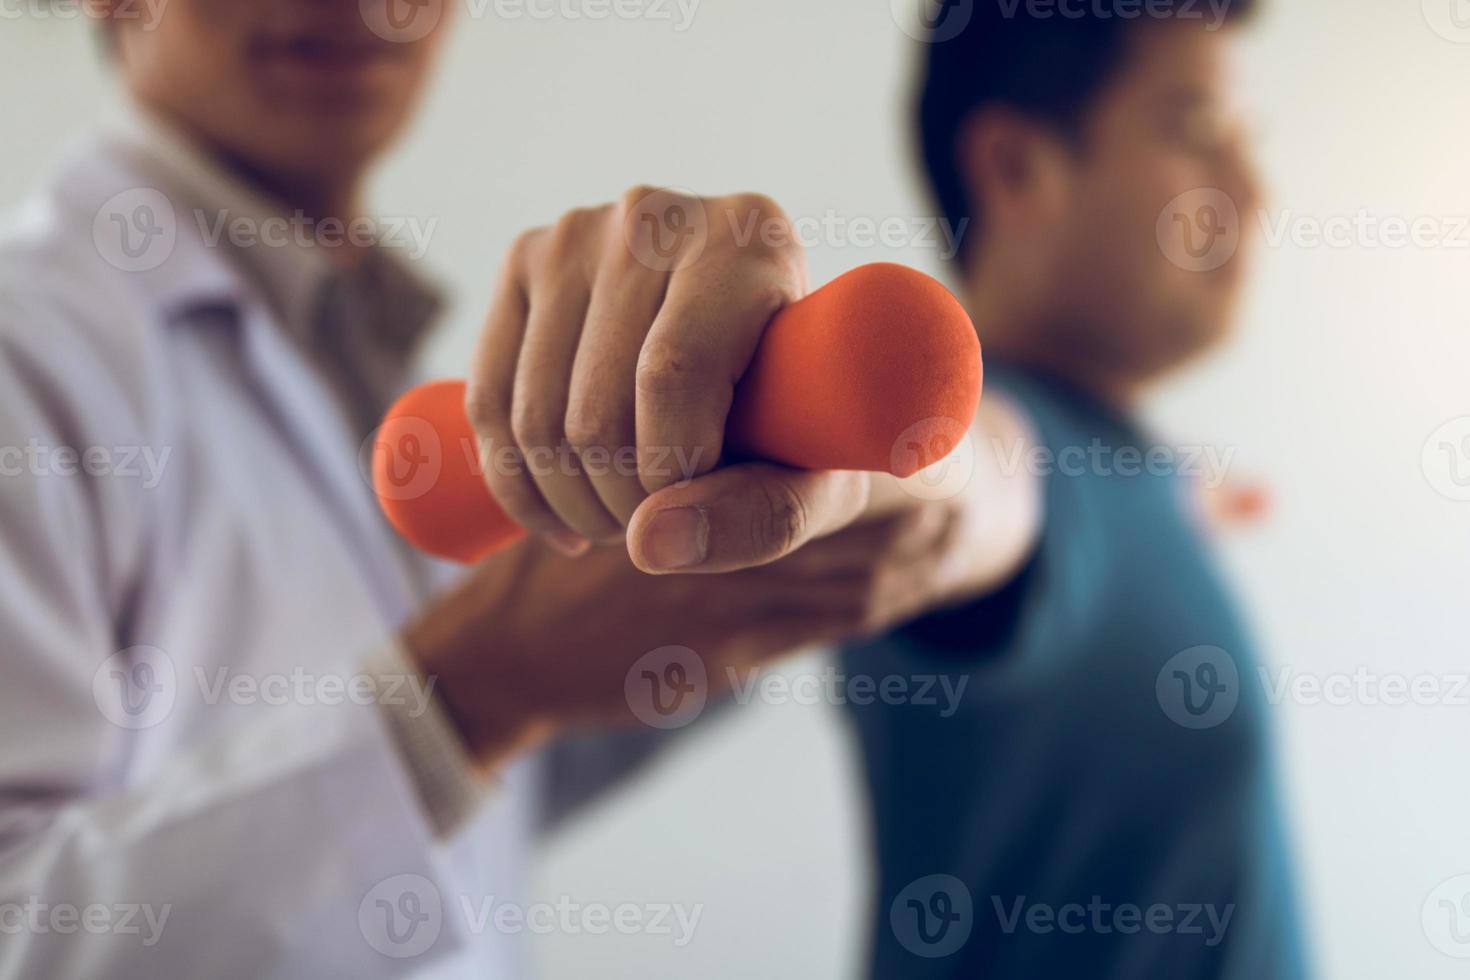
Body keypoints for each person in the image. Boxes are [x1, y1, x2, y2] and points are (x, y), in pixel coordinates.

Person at [0, 1, 1037, 976]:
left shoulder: (370, 354)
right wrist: (465, 695)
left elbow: (479, 802)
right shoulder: (27, 360)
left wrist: (894, 484)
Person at [841, 2, 1309, 977]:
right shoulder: (989, 450)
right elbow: (978, 488)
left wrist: (1171, 497)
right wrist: (929, 461)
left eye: (1247, 141)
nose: (1251, 191)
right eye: (1196, 133)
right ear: (1017, 169)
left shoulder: (1122, 472)